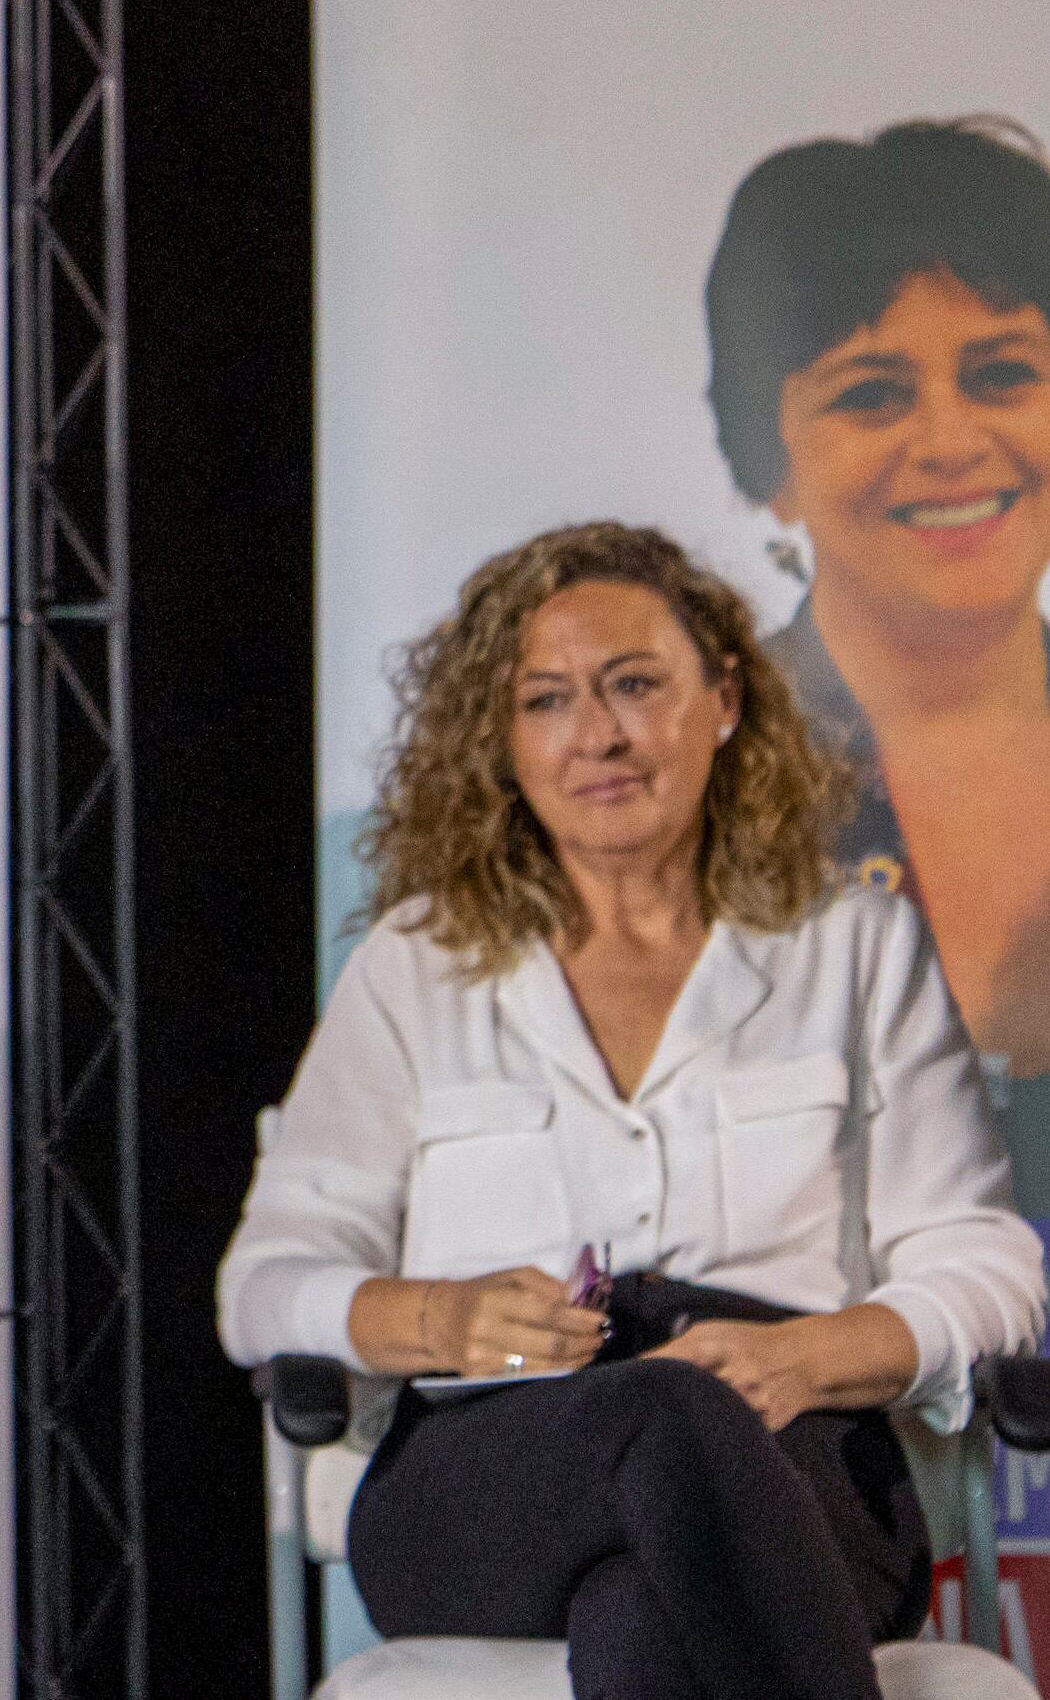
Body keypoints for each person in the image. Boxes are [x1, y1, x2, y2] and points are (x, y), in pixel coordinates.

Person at [221, 521, 1043, 1700]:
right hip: (492, 1468)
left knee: (647, 1617)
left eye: (632, 684)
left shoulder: (853, 947)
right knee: (663, 1415)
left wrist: (807, 1353)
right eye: (544, 699)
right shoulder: (414, 965)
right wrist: (440, 1315)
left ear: (722, 698)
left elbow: (985, 1265)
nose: (596, 733)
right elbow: (263, 1284)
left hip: (794, 1455)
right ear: (500, 741)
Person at [706, 118, 1050, 1074]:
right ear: (768, 462)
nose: (949, 443)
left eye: (1001, 376)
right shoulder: (676, 779)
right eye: (870, 394)